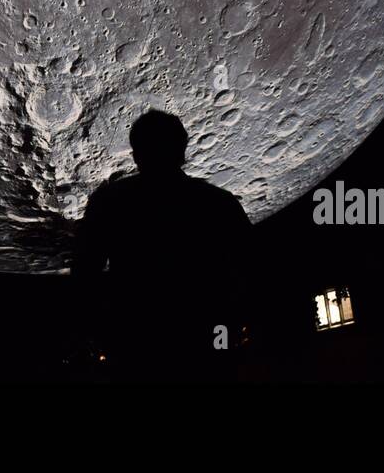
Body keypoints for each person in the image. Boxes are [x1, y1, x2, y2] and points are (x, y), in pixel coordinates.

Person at [74, 109, 254, 379]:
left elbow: (85, 274)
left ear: (136, 155)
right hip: (205, 345)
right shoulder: (218, 203)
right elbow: (249, 270)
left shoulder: (109, 202)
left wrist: (98, 332)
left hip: (135, 346)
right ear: (182, 151)